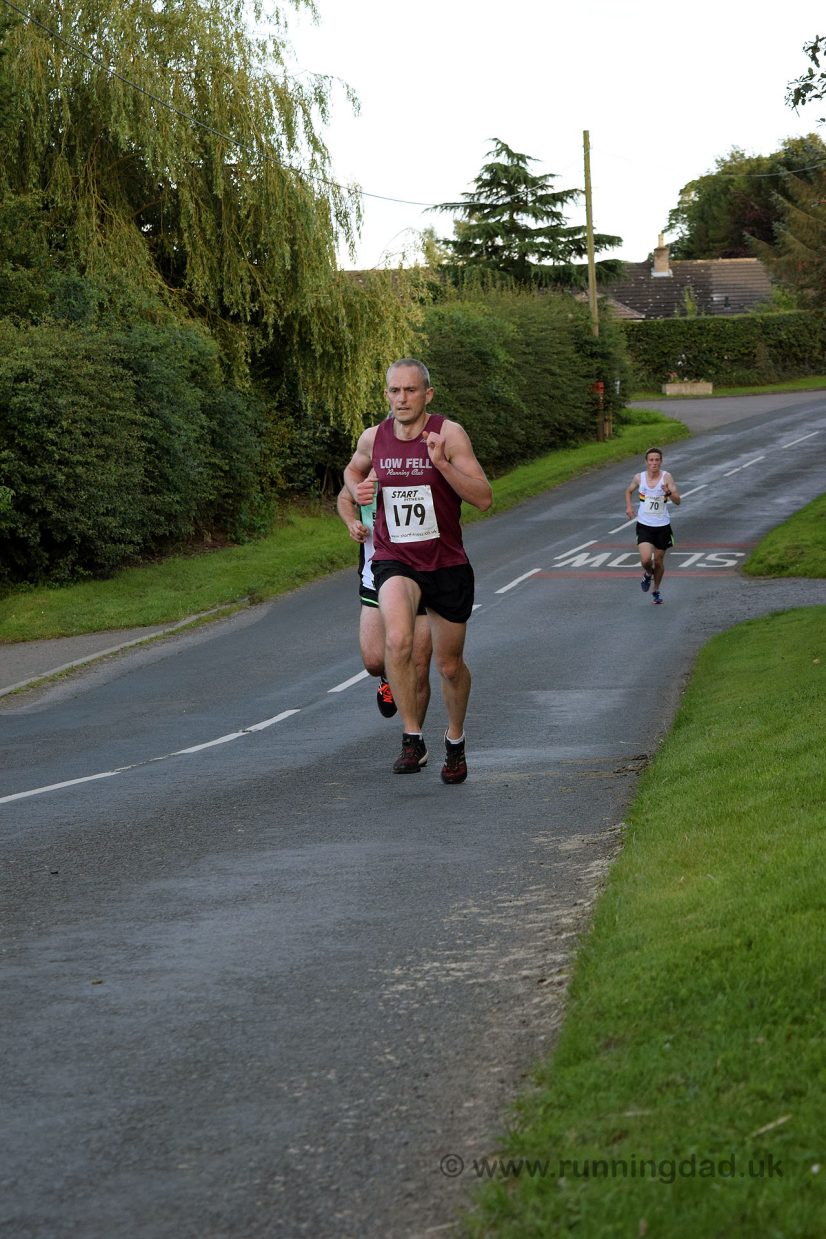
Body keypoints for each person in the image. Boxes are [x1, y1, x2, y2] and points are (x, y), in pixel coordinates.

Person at [343, 358, 492, 782]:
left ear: (428, 394)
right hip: (396, 558)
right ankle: (412, 737)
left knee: (448, 665)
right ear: (387, 394)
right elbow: (352, 472)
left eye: (410, 391)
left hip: (446, 563)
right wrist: (360, 488)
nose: (401, 399)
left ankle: (456, 741)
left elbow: (483, 497)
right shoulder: (374, 438)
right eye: (394, 391)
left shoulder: (448, 434)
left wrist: (443, 466)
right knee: (397, 639)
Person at [336, 483, 432, 726]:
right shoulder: (369, 460)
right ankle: (390, 675)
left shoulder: (425, 456)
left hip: (423, 572)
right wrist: (351, 522)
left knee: (420, 670)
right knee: (374, 661)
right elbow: (345, 498)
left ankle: (412, 740)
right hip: (375, 571)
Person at [624, 447, 681, 605]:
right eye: (651, 460)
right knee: (645, 560)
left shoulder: (666, 478)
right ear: (646, 462)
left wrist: (669, 494)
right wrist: (629, 507)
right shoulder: (639, 478)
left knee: (658, 561)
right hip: (644, 525)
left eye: (657, 460)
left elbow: (678, 501)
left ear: (661, 461)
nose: (654, 463)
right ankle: (648, 574)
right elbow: (628, 491)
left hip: (662, 526)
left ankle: (655, 590)